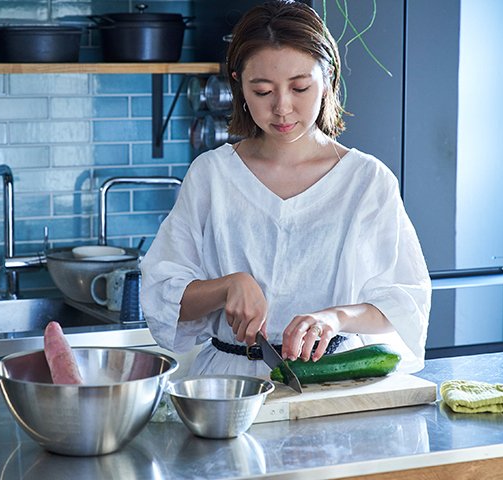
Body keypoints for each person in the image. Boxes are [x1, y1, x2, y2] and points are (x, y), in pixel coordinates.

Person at [140, 0, 431, 377]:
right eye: (262, 91)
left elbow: (404, 303)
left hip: (332, 381)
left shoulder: (366, 181)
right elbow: (163, 296)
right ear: (239, 86)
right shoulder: (211, 175)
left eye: (300, 87)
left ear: (327, 80)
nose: (282, 108)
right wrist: (227, 286)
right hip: (230, 385)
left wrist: (336, 317)